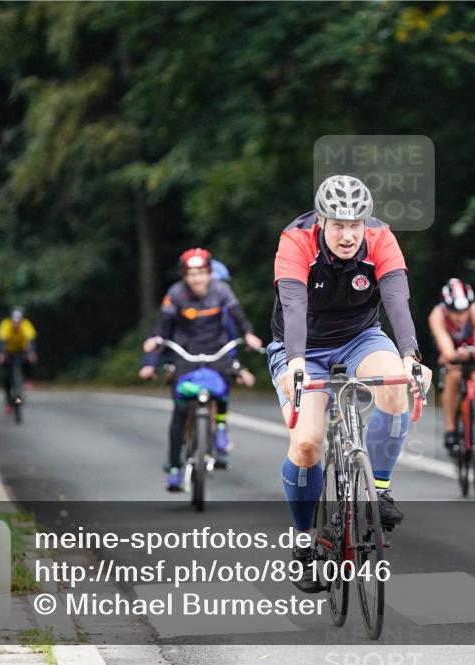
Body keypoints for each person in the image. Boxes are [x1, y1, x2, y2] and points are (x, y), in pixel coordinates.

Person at [266, 174, 431, 593]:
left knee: (394, 383)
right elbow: (294, 306)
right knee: (306, 445)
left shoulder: (380, 238)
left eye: (355, 224)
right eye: (338, 224)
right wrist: (297, 365)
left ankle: (378, 490)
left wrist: (411, 357)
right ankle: (303, 544)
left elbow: (396, 300)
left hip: (361, 337)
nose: (347, 234)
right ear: (321, 221)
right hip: (302, 345)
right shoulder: (296, 239)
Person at [139, 248, 263, 491]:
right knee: (180, 409)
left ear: (209, 273)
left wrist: (249, 335)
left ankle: (221, 429)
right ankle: (174, 468)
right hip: (186, 352)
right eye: (191, 274)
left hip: (216, 350)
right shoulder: (175, 294)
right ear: (184, 275)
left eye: (202, 273)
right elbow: (161, 329)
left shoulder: (221, 291)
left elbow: (239, 319)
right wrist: (151, 356)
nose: (197, 279)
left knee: (224, 383)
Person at [427, 278, 475, 470]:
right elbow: (447, 350)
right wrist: (454, 355)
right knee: (452, 375)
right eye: (455, 312)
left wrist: (472, 352)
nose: (460, 317)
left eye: (464, 311)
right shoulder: (437, 315)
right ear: (445, 307)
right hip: (452, 354)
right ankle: (450, 429)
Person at [0, 307, 37, 413]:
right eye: (14, 321)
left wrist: (31, 353)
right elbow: (2, 340)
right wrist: (1, 354)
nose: (16, 324)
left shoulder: (26, 324)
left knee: (29, 360)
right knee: (7, 378)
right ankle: (9, 403)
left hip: (21, 351)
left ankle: (27, 380)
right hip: (8, 352)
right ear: (11, 320)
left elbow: (30, 340)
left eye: (18, 322)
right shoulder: (5, 324)